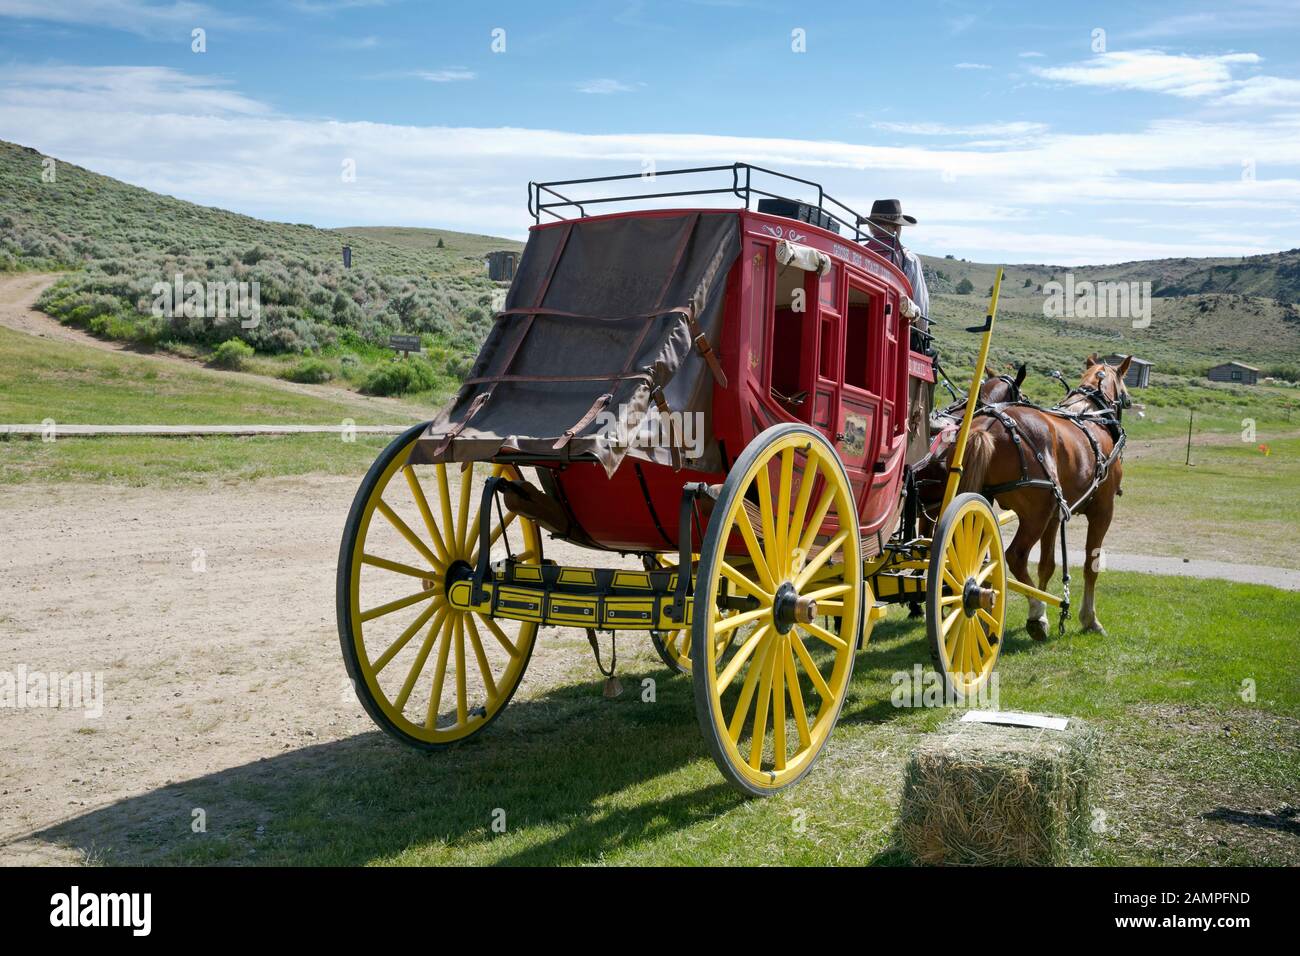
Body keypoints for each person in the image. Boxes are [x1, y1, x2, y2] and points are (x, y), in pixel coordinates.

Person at [864, 199, 929, 332]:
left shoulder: (859, 254)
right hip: (894, 330)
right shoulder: (908, 259)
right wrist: (923, 333)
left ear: (871, 227)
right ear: (896, 228)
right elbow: (920, 306)